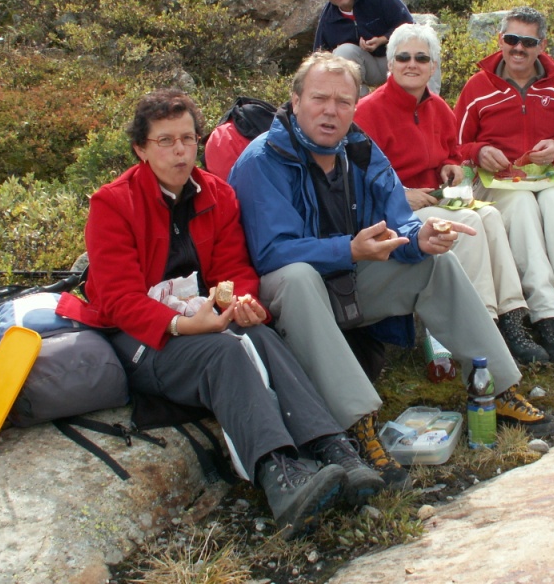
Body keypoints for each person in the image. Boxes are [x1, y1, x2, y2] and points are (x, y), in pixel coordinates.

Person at [232, 53, 554, 488]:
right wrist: (349, 249)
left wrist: (419, 237)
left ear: (355, 106)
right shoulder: (262, 160)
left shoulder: (359, 149)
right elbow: (271, 252)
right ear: (295, 101)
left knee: (435, 263)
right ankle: (357, 422)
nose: (331, 111)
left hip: (348, 284)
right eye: (319, 99)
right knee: (298, 276)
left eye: (343, 101)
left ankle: (495, 389)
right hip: (288, 302)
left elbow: (398, 217)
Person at [81, 89, 383, 539]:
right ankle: (279, 475)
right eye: (165, 141)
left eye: (188, 138)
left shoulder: (216, 194)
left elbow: (235, 269)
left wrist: (240, 302)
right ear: (141, 149)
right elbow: (116, 298)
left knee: (261, 335)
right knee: (222, 352)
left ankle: (333, 447)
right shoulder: (113, 204)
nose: (180, 151)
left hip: (202, 316)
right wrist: (184, 325)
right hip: (140, 337)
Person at [354, 24, 550, 365]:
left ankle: (512, 316)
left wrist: (451, 165)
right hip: (394, 212)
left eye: (421, 58)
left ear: (433, 66)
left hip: (435, 199)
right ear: (390, 63)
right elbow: (356, 177)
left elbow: (453, 153)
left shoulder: (439, 107)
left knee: (490, 216)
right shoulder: (368, 111)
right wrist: (401, 194)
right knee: (469, 224)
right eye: (403, 57)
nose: (412, 64)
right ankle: (482, 329)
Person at [455, 7, 554, 363]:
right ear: (499, 40)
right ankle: (548, 315)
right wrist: (479, 151)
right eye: (511, 39)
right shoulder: (477, 87)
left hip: (550, 177)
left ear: (542, 46)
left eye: (528, 42)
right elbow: (455, 144)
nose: (518, 48)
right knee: (522, 208)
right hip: (499, 182)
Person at [313, 0, 419, 95]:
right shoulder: (327, 19)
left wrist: (383, 39)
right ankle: (359, 105)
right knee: (343, 52)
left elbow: (411, 27)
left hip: (397, 60)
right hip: (366, 68)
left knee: (426, 42)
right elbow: (319, 57)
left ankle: (426, 102)